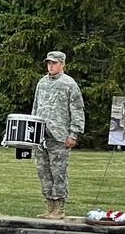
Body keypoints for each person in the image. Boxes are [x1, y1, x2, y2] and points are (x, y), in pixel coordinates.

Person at [32, 50, 86, 220]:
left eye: (54, 63)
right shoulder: (42, 83)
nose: (50, 66)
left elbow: (77, 110)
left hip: (59, 136)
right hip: (41, 136)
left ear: (62, 64)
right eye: (49, 63)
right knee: (43, 172)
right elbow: (35, 106)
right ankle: (49, 206)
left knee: (58, 172)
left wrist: (74, 133)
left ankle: (59, 207)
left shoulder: (69, 84)